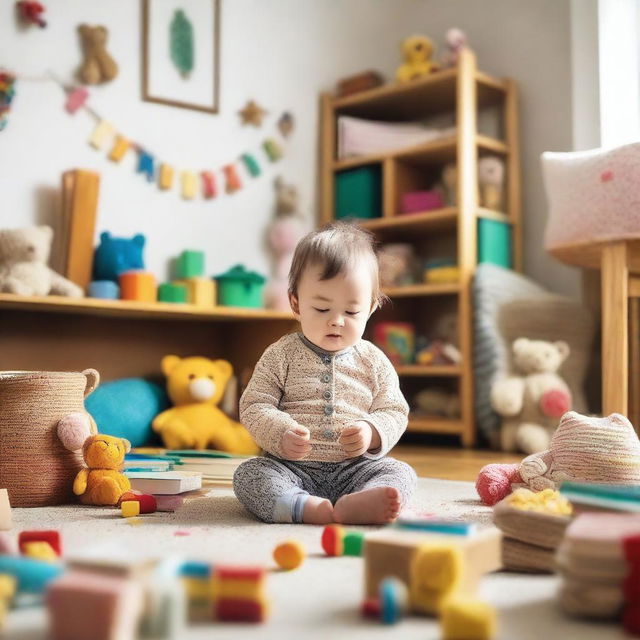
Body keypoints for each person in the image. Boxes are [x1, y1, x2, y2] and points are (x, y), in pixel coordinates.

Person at [233, 221, 416, 524]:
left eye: (351, 312)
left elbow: (394, 410)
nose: (337, 321)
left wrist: (372, 432)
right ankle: (301, 506)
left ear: (371, 308)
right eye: (321, 309)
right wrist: (279, 431)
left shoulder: (374, 360)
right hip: (291, 467)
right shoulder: (281, 354)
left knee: (399, 473)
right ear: (296, 303)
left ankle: (361, 502)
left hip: (355, 469)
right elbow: (254, 405)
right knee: (248, 476)